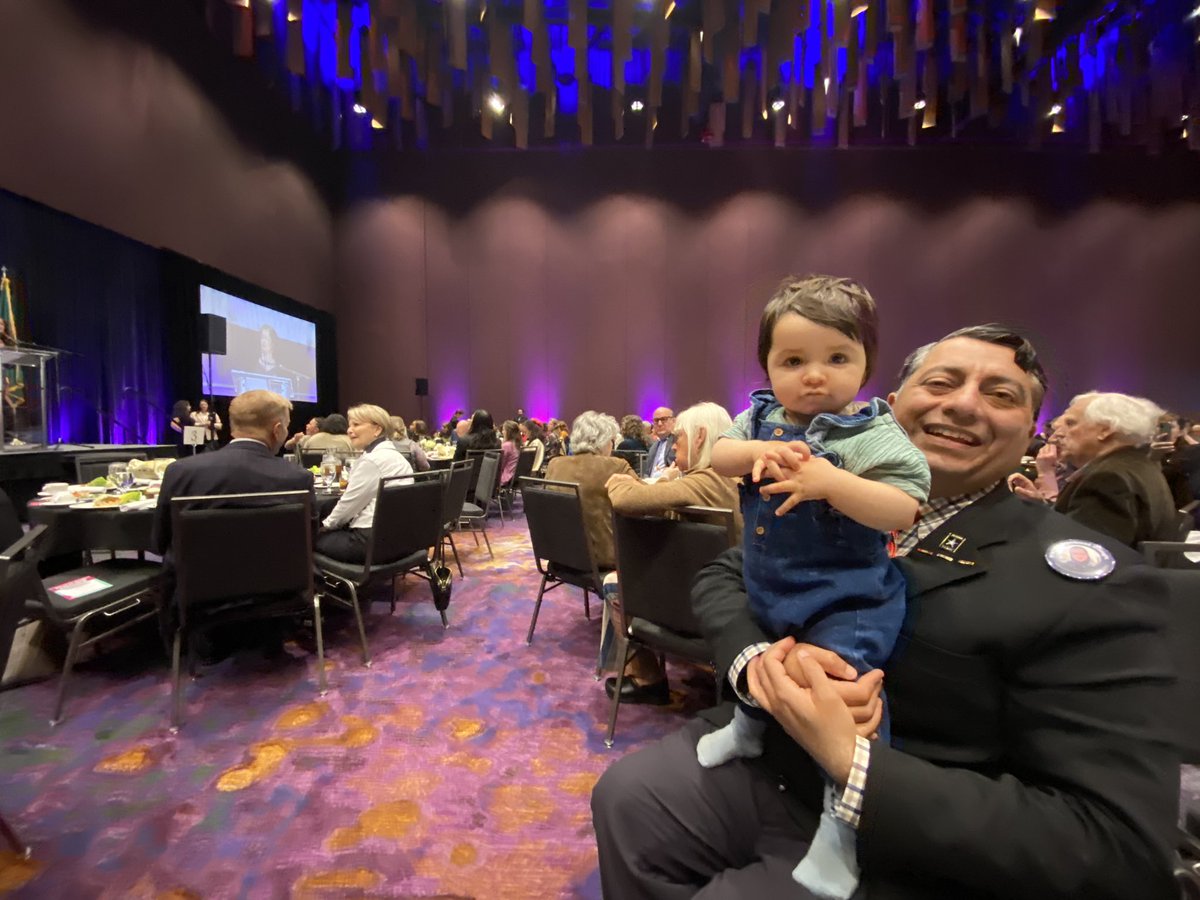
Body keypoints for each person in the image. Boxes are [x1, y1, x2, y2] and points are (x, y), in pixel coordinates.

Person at [591, 325, 1179, 900]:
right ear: (890, 405)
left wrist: (853, 761)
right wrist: (758, 661)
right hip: (772, 758)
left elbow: (1117, 847)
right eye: (942, 382)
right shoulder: (831, 498)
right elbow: (725, 575)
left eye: (1000, 394)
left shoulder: (1098, 585)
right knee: (626, 796)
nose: (964, 405)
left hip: (907, 833)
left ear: (1032, 429)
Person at [697, 275, 929, 897]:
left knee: (847, 703)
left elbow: (903, 507)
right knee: (762, 655)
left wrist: (833, 483)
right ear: (768, 367)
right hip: (769, 586)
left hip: (847, 602)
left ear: (867, 366)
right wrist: (747, 456)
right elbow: (716, 456)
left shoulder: (873, 433)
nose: (814, 376)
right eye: (793, 361)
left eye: (837, 358)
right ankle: (747, 730)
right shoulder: (760, 418)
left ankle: (843, 822)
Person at [600, 401, 743, 704]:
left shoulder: (705, 481)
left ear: (701, 437)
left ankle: (648, 678)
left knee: (615, 581)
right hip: (733, 599)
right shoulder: (731, 479)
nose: (673, 442)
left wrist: (617, 479)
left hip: (705, 606)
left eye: (680, 435)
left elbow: (626, 499)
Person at [151, 390, 316, 640]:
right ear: (277, 429)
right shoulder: (298, 477)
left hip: (197, 591)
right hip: (280, 588)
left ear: (232, 425)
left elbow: (160, 542)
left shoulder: (180, 471)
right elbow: (308, 540)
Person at [1013, 391, 1178, 548]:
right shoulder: (1138, 465)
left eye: (1071, 423)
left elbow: (1084, 554)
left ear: (1105, 430)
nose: (1057, 434)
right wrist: (1041, 506)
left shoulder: (1109, 478)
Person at [317, 404, 413, 563]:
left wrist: (324, 526)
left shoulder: (372, 460)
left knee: (306, 539)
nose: (349, 430)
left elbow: (348, 505)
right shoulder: (397, 457)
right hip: (399, 540)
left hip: (369, 544)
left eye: (356, 424)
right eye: (349, 425)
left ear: (377, 430)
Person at [545, 412, 636, 570]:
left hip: (559, 555)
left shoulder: (555, 464)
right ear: (603, 441)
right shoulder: (615, 465)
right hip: (603, 558)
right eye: (611, 441)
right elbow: (646, 500)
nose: (612, 446)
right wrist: (666, 478)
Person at [643, 407, 677, 477]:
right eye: (656, 420)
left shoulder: (678, 442)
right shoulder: (653, 446)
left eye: (664, 419)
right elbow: (647, 472)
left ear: (673, 421)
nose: (659, 424)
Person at [498, 420, 522, 488]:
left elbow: (500, 465)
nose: (502, 432)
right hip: (515, 476)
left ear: (508, 432)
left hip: (506, 477)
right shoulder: (518, 444)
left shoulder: (507, 445)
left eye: (503, 430)